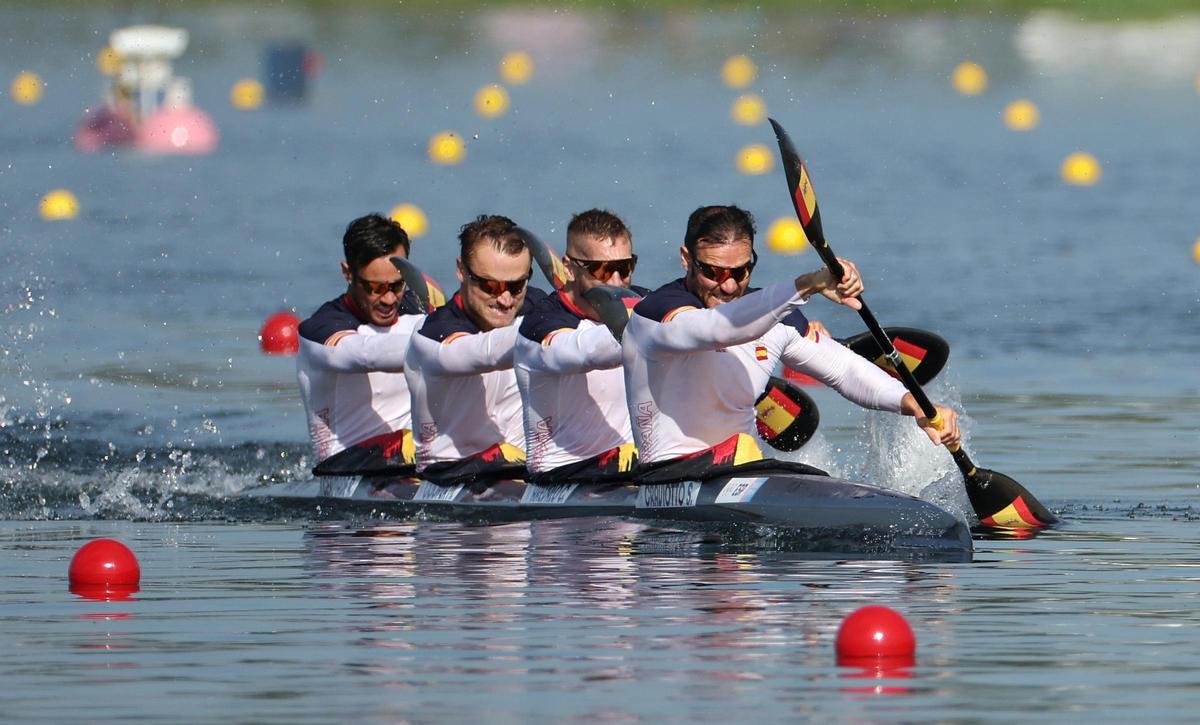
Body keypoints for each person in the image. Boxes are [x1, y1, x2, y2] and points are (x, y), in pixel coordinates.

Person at [622, 205, 960, 483]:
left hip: (744, 471)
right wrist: (809, 284)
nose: (728, 287)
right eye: (714, 272)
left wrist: (915, 404)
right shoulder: (656, 314)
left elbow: (844, 369)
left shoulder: (774, 318)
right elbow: (719, 329)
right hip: (665, 478)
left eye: (740, 272)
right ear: (686, 258)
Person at [404, 214, 548, 486]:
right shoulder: (433, 334)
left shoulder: (537, 308)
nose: (505, 299)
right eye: (490, 286)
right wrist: (556, 332)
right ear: (461, 270)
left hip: (521, 469)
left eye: (517, 286)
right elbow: (488, 351)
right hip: (449, 477)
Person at [514, 209, 647, 484]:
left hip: (628, 465)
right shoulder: (541, 324)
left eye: (624, 268)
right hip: (560, 475)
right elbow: (585, 352)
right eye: (601, 269)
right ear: (568, 268)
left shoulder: (642, 302)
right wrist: (652, 331)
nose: (616, 281)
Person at [296, 213, 426, 477]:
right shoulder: (321, 329)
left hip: (411, 457)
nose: (389, 299)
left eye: (397, 285)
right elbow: (368, 354)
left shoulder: (418, 310)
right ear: (348, 273)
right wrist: (441, 345)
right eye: (375, 288)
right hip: (342, 468)